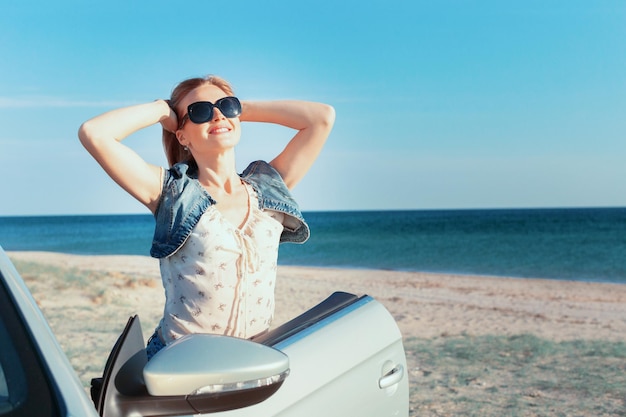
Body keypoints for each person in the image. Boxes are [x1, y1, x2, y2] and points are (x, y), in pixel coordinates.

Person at [78, 75, 335, 359]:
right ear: (182, 135)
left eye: (225, 106)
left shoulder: (268, 187)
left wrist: (240, 108)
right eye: (199, 111)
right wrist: (163, 110)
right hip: (180, 365)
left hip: (254, 359)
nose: (216, 114)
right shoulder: (170, 193)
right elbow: (94, 133)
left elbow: (322, 118)